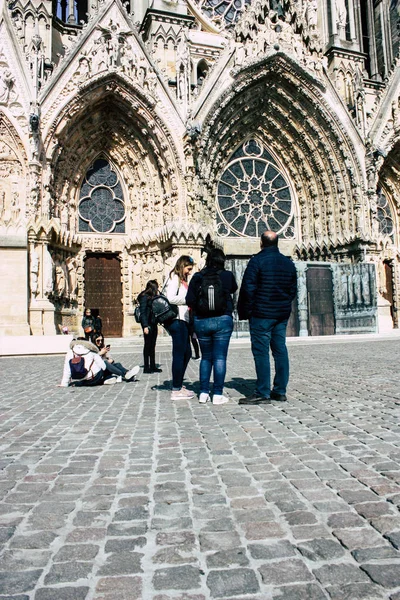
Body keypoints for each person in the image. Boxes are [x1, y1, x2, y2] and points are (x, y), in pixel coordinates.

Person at [237, 231, 297, 405]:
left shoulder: (257, 261)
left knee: (261, 352)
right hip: (281, 314)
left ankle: (263, 392)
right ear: (277, 243)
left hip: (262, 314)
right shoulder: (288, 263)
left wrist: (247, 311)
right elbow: (293, 289)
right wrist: (284, 304)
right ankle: (279, 391)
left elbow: (248, 288)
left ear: (261, 243)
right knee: (280, 350)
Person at [187, 248, 238, 405]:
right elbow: (234, 290)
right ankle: (217, 394)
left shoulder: (197, 276)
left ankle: (203, 393)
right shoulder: (227, 275)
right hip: (223, 320)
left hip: (202, 321)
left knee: (206, 357)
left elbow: (189, 299)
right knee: (220, 357)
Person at [164, 255, 195, 400]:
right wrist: (188, 300)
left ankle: (178, 383)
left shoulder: (181, 279)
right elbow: (170, 298)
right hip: (177, 320)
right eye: (188, 269)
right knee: (179, 353)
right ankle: (176, 389)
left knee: (187, 352)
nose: (189, 272)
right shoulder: (174, 277)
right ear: (182, 266)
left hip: (183, 319)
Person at [137, 279, 162, 374]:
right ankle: (146, 367)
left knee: (153, 345)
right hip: (147, 324)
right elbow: (143, 312)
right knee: (147, 345)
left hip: (153, 322)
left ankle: (153, 365)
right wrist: (145, 326)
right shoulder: (144, 297)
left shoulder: (152, 297)